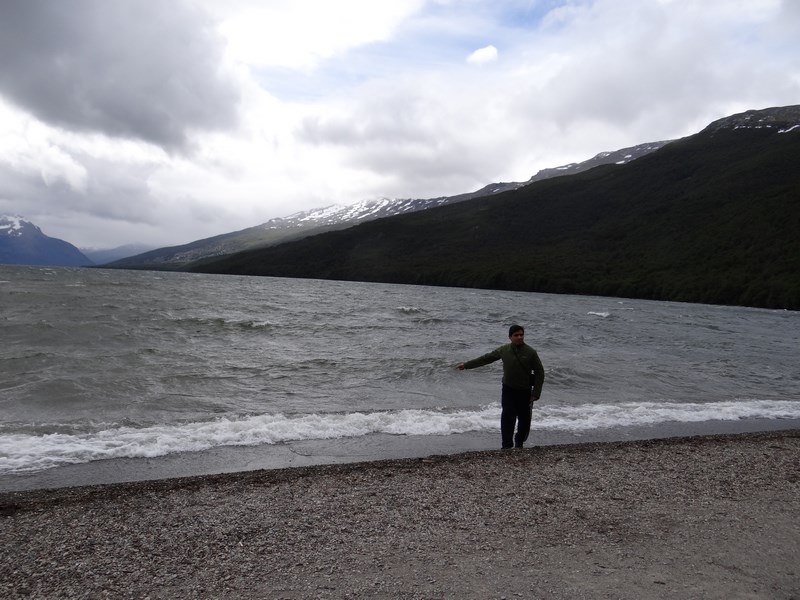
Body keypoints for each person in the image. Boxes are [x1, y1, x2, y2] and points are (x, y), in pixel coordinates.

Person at [457, 324, 545, 449]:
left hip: (525, 391)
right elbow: (486, 358)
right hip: (508, 389)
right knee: (507, 418)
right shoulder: (504, 350)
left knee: (524, 421)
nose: (519, 337)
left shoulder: (530, 352)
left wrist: (536, 393)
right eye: (516, 335)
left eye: (521, 335)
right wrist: (466, 365)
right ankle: (506, 445)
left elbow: (540, 372)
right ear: (510, 337)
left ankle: (519, 442)